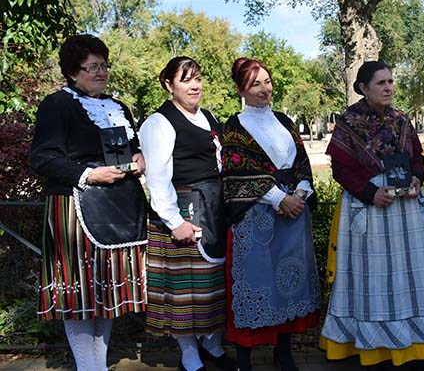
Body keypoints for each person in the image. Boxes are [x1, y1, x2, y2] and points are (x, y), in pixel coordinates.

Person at [320, 61, 424, 371]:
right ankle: (375, 351)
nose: (388, 87)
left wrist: (416, 179)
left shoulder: (401, 120)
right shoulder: (348, 123)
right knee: (374, 279)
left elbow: (418, 158)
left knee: (411, 275)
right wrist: (371, 194)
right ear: (363, 88)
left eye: (391, 81)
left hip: (406, 210)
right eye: (381, 83)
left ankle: (412, 348)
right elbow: (341, 170)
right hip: (369, 206)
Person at [30, 34, 148, 371]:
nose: (100, 72)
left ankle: (96, 364)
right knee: (79, 295)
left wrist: (140, 157)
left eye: (103, 65)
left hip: (120, 208)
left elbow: (133, 146)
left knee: (103, 294)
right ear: (72, 72)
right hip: (75, 208)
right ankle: (88, 367)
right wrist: (88, 174)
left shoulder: (118, 107)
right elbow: (42, 158)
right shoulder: (57, 105)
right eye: (91, 67)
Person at [221, 58, 320, 371]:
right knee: (257, 284)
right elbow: (236, 172)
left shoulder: (285, 121)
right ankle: (245, 359)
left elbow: (302, 163)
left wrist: (301, 193)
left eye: (266, 81)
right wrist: (279, 198)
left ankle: (284, 353)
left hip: (293, 216)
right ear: (241, 89)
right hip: (257, 216)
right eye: (255, 84)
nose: (264, 89)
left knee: (289, 284)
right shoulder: (234, 127)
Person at [140, 57, 234, 371]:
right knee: (186, 292)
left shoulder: (207, 116)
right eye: (185, 80)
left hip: (212, 206)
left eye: (198, 78)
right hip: (182, 209)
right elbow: (156, 176)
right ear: (169, 85)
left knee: (212, 286)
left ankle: (212, 346)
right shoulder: (159, 121)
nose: (195, 85)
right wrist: (174, 220)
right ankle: (189, 357)